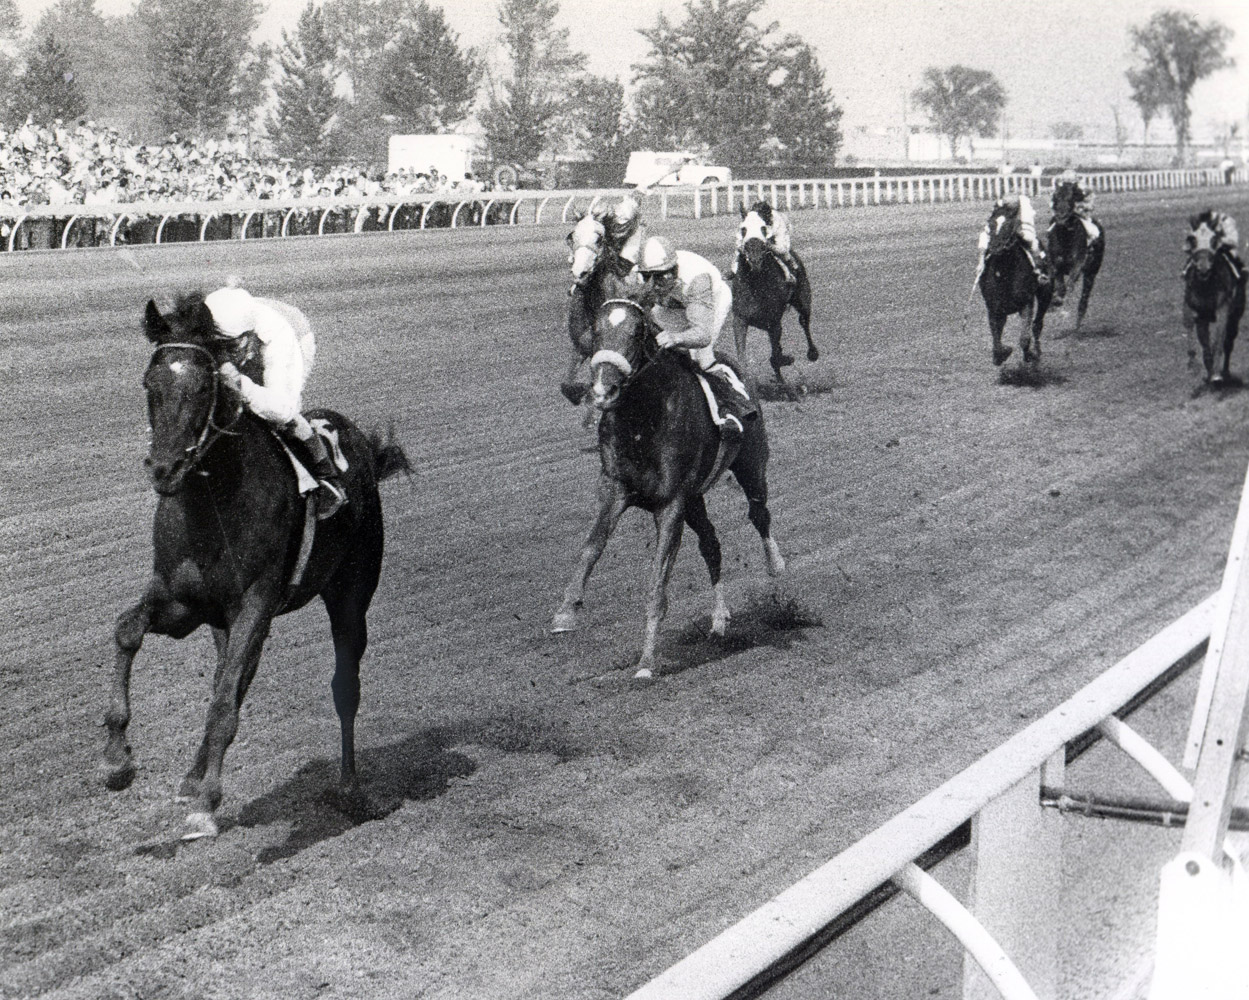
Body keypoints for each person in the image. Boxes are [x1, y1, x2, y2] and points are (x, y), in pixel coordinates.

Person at [204, 286, 346, 519]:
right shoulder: (225, 329)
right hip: (244, 317)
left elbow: (283, 408)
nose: (224, 356)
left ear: (249, 337)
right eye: (216, 346)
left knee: (279, 419)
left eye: (229, 347)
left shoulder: (280, 342)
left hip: (295, 333)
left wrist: (241, 384)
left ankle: (326, 477)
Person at [635, 236, 756, 445]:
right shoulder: (646, 280)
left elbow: (701, 334)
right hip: (673, 305)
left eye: (661, 276)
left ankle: (732, 408)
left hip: (711, 301)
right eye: (648, 277)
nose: (654, 284)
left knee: (700, 357)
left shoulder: (697, 278)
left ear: (674, 269)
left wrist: (677, 337)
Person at [977, 192, 1047, 284]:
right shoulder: (997, 210)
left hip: (1018, 228)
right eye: (1006, 204)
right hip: (997, 238)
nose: (1008, 206)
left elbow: (1027, 221)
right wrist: (981, 260)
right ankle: (981, 269)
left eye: (1010, 205)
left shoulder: (1023, 208)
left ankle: (1039, 270)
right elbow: (986, 231)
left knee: (1030, 239)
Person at [731, 202, 799, 284]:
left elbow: (782, 249)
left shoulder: (778, 221)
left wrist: (769, 245)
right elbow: (739, 241)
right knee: (740, 254)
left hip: (777, 238)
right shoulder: (749, 220)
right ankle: (733, 271)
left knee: (783, 254)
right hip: (759, 239)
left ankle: (792, 270)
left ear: (768, 217)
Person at [1052, 168, 1101, 243]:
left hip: (1060, 216)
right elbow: (1082, 199)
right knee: (1094, 232)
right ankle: (1089, 243)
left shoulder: (1058, 190)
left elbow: (1054, 204)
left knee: (1051, 227)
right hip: (1074, 215)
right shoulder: (1076, 189)